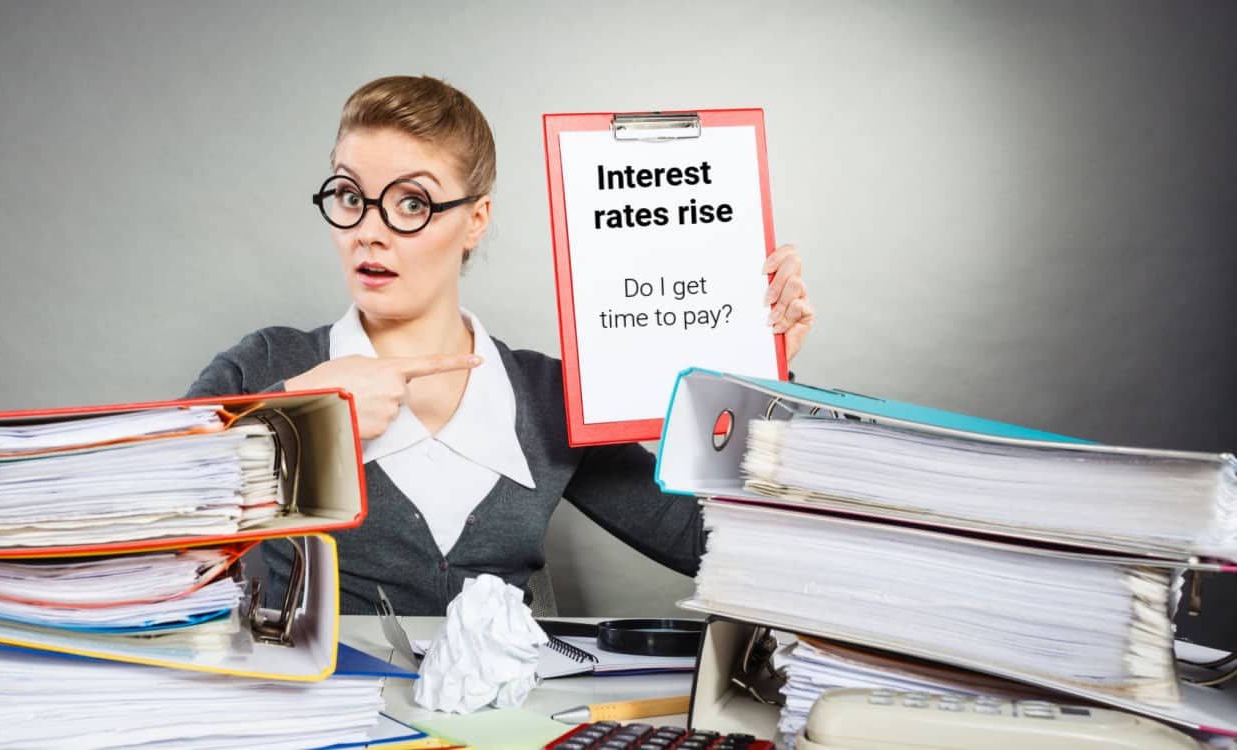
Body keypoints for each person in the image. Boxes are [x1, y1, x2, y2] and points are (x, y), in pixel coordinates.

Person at [186, 75, 813, 615]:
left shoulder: (552, 396)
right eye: (351, 196)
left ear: (476, 219)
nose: (369, 232)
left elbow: (707, 544)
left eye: (412, 202)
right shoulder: (270, 363)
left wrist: (754, 387)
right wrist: (298, 417)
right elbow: (146, 530)